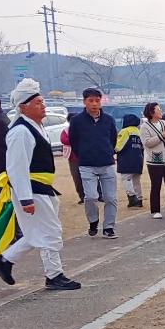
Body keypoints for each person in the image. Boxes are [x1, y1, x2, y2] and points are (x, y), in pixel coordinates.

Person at [0, 79, 80, 290]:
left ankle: (4, 260)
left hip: (41, 187)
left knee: (37, 232)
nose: (43, 105)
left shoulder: (34, 126)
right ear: (23, 107)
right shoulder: (20, 132)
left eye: (42, 101)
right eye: (38, 102)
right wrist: (25, 197)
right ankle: (54, 275)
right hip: (32, 188)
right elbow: (16, 167)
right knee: (50, 232)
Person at [68, 88, 119, 238]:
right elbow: (73, 141)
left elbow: (112, 139)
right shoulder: (77, 121)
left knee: (111, 197)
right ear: (84, 102)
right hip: (86, 164)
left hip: (107, 163)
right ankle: (93, 221)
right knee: (90, 196)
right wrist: (83, 155)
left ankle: (109, 227)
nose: (94, 104)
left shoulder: (109, 119)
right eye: (91, 101)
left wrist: (108, 151)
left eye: (97, 100)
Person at [116, 114, 145, 207]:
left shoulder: (125, 131)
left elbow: (119, 146)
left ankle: (132, 197)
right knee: (136, 180)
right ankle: (139, 199)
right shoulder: (138, 131)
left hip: (127, 160)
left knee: (126, 179)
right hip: (138, 159)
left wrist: (113, 150)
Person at [59, 128, 86, 204]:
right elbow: (63, 140)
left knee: (92, 176)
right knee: (77, 178)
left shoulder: (85, 127)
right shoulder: (66, 130)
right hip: (73, 159)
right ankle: (82, 196)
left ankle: (98, 195)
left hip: (86, 156)